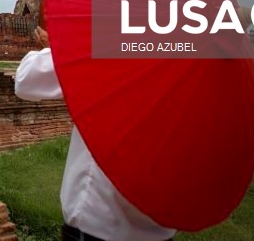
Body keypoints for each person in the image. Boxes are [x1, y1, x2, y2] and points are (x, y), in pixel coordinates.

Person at [15, 26, 176, 241]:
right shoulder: (193, 62)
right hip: (160, 227)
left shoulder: (118, 43)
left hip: (98, 222)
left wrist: (57, 46)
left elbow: (26, 79)